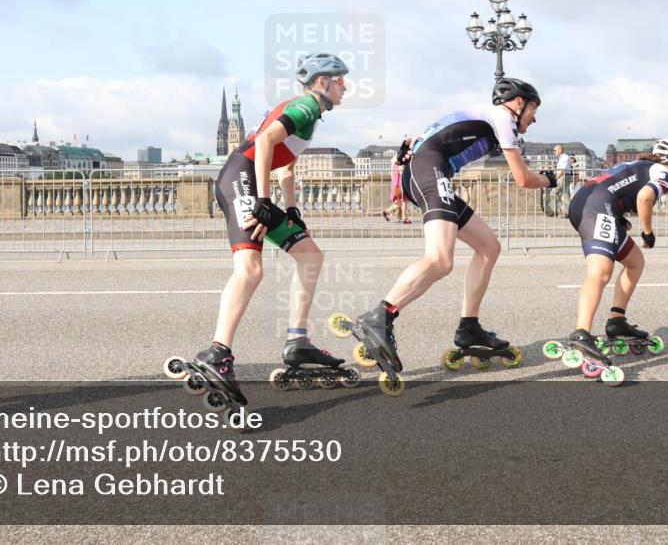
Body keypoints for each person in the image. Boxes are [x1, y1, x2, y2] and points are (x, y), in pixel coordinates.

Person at [346, 77, 558, 387]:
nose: (534, 118)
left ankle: (469, 327)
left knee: (489, 247)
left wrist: (411, 148)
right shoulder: (503, 118)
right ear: (517, 103)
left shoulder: (481, 115)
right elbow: (523, 179)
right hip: (431, 171)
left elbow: (424, 137)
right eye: (533, 109)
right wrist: (550, 179)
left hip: (429, 170)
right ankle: (380, 316)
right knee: (440, 260)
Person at [183, 53, 350, 407]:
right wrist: (262, 199)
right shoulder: (306, 105)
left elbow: (285, 168)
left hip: (247, 178)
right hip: (240, 177)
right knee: (250, 269)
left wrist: (290, 209)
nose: (345, 87)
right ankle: (217, 351)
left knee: (310, 256)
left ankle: (297, 342)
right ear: (323, 82)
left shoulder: (307, 110)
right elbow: (263, 144)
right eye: (340, 80)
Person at [563, 138, 668, 362]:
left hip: (593, 202)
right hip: (596, 206)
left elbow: (617, 187)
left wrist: (618, 216)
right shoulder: (665, 175)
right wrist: (647, 231)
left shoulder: (645, 167)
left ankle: (617, 320)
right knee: (601, 271)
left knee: (635, 262)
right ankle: (581, 333)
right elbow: (644, 197)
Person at [382, 144, 412, 224]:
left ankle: (387, 211)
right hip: (401, 185)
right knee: (404, 201)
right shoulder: (401, 161)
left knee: (398, 203)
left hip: (396, 185)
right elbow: (401, 172)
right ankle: (404, 218)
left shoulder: (396, 161)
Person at [553, 144, 573, 218]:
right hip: (564, 176)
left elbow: (562, 170)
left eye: (555, 150)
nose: (554, 152)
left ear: (560, 150)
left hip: (563, 177)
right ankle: (568, 212)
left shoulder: (564, 157)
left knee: (553, 193)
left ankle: (553, 211)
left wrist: (555, 179)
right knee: (565, 195)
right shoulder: (563, 158)